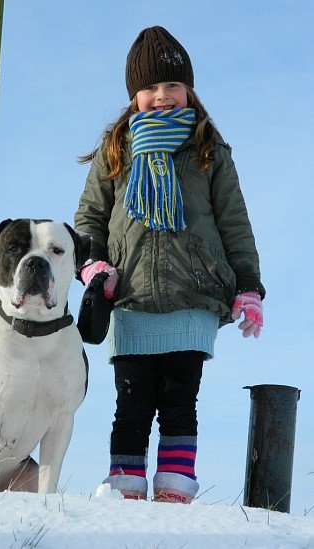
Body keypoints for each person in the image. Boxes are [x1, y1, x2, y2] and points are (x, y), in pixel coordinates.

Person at [74, 26, 265, 503]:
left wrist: (249, 286)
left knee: (180, 402)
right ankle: (125, 488)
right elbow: (89, 219)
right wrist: (94, 265)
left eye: (172, 86)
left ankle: (175, 490)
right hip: (131, 296)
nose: (162, 96)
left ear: (189, 89)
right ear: (133, 95)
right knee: (132, 403)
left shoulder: (209, 150)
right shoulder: (115, 151)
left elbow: (235, 223)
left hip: (192, 295)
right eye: (150, 88)